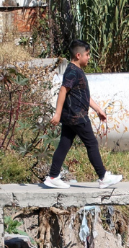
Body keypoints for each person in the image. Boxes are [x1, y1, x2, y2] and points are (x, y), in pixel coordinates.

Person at [42, 40, 123, 189]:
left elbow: (83, 95)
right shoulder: (73, 71)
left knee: (64, 145)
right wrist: (57, 113)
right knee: (91, 144)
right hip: (77, 116)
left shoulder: (75, 71)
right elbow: (63, 90)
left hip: (71, 116)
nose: (89, 57)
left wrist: (98, 109)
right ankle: (103, 176)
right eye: (87, 54)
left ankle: (53, 176)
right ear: (78, 55)